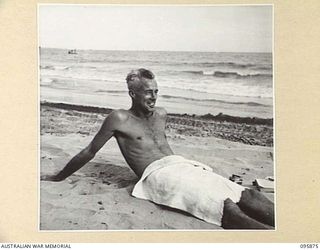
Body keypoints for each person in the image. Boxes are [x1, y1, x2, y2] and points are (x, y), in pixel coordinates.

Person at [41, 68, 275, 229]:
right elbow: (89, 152)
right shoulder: (118, 118)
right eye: (148, 92)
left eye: (156, 92)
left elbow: (165, 148)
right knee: (226, 206)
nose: (154, 97)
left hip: (181, 165)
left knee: (248, 194)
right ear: (133, 94)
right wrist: (58, 176)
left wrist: (186, 168)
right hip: (156, 174)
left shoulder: (161, 114)